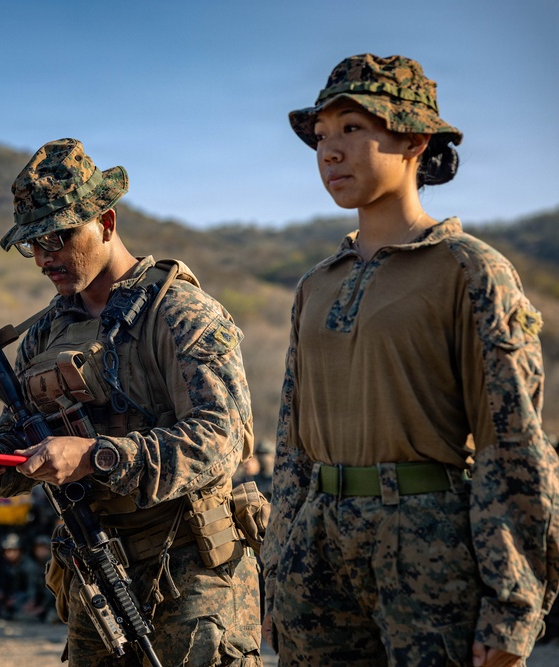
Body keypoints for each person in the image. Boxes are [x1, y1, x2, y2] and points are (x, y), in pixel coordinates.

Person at [259, 54, 559, 667]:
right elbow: (292, 447)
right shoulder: (315, 285)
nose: (330, 152)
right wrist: (278, 567)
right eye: (321, 136)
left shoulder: (470, 270)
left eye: (352, 129)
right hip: (317, 546)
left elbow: (514, 446)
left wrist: (513, 606)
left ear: (415, 140)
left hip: (427, 543)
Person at [0, 138, 262, 666]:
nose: (43, 258)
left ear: (105, 221)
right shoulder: (43, 335)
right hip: (95, 565)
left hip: (191, 568)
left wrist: (95, 456)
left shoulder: (180, 311)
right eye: (30, 244)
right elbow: (26, 443)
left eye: (57, 237)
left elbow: (224, 439)